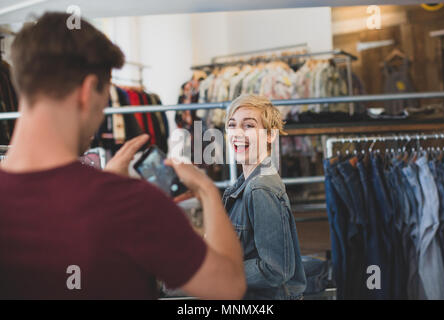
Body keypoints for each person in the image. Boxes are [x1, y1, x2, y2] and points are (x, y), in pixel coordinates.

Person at [0, 12, 246, 300]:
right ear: (88, 90)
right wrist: (206, 190)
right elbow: (227, 287)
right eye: (104, 100)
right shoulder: (132, 203)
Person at [223, 94, 307, 300]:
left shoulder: (260, 187)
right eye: (232, 125)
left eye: (249, 126)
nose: (237, 133)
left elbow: (276, 268)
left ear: (270, 135)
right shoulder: (245, 183)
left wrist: (218, 273)